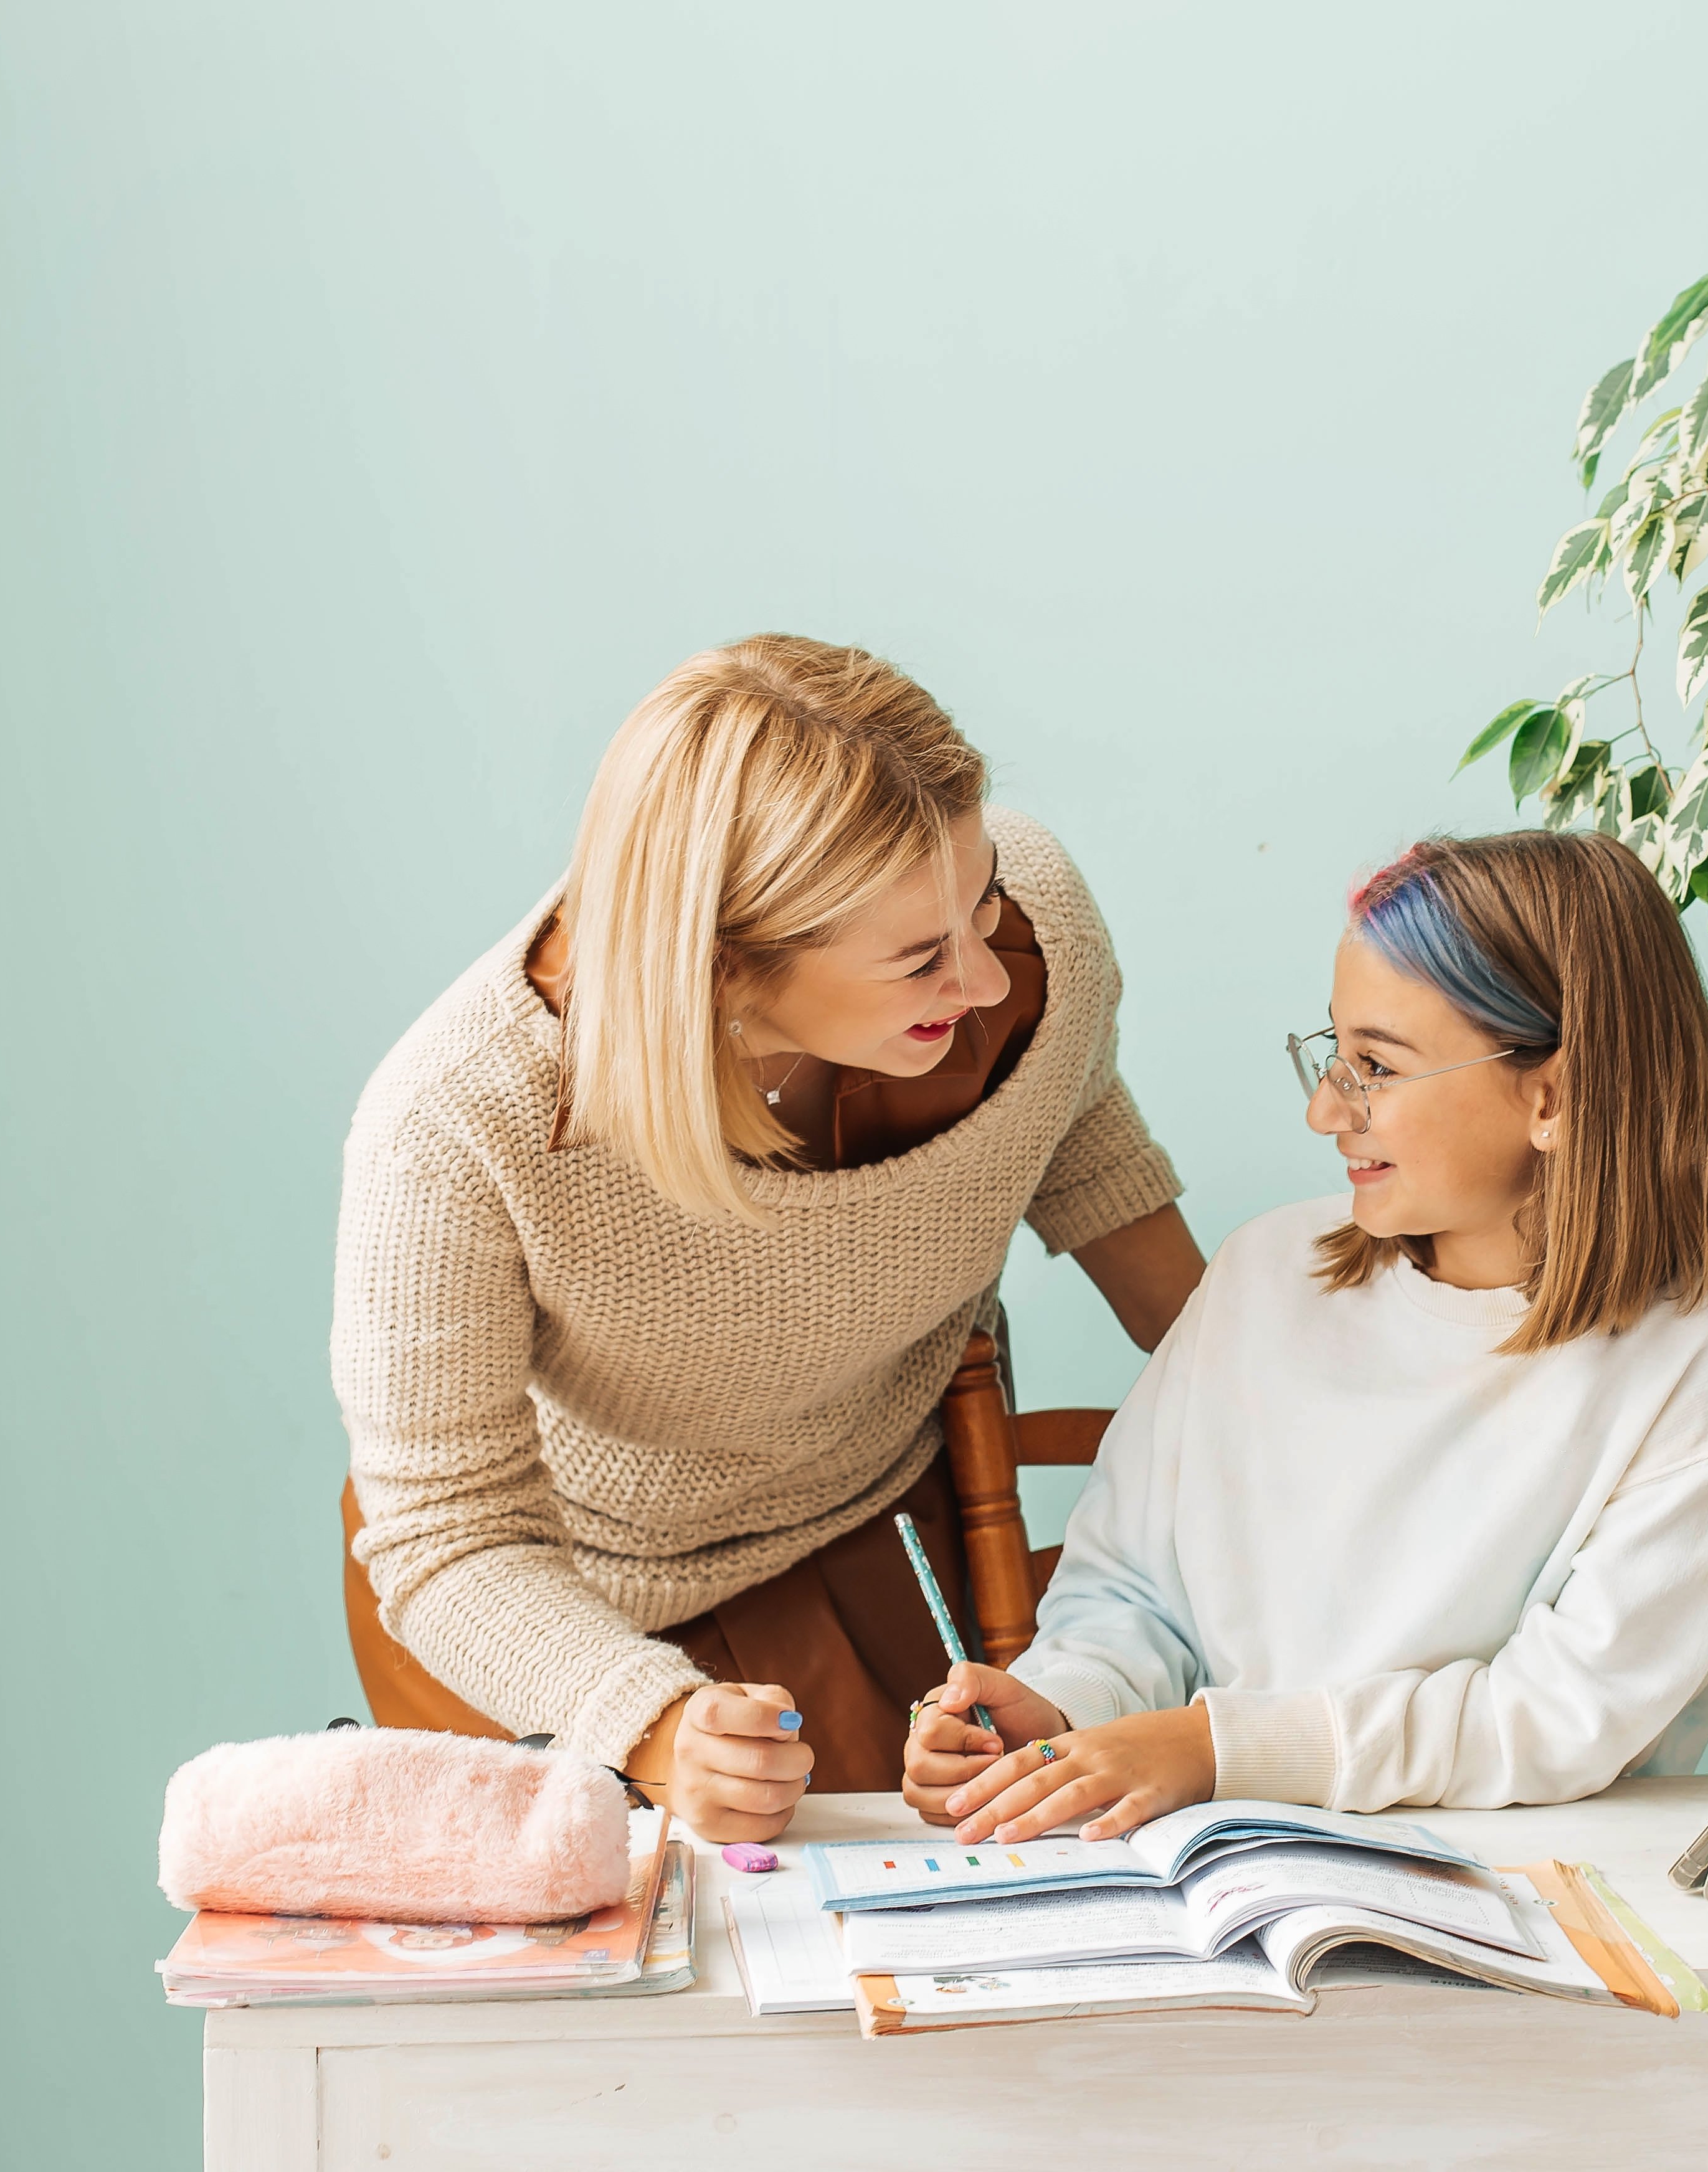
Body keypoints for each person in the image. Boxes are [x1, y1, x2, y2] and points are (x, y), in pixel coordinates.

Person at [332, 635, 1205, 1843]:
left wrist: (1277, 1416)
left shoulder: (1032, 925)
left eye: (981, 897)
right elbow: (449, 1535)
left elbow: (1074, 1140)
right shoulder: (455, 1121)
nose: (987, 977)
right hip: (552, 1606)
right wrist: (648, 1721)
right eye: (919, 958)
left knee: (918, 1938)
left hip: (874, 1517)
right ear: (726, 971)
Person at [903, 829, 1708, 1842]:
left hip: (1539, 1885)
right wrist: (1061, 1711)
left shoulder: (1701, 1347)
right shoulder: (1264, 1275)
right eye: (1333, 1054)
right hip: (1239, 1859)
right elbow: (1131, 1594)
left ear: (1550, 1095)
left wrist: (1214, 1750)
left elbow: (1559, 1715)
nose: (1328, 1108)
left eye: (1374, 1065)